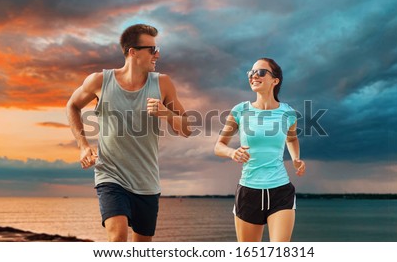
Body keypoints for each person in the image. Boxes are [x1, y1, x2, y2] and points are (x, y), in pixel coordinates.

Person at [66, 24, 191, 242]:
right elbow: (72, 105)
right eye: (152, 49)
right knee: (118, 237)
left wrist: (166, 114)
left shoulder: (162, 83)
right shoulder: (99, 81)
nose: (158, 54)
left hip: (146, 181)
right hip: (110, 175)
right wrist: (83, 145)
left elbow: (187, 128)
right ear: (132, 52)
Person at [214, 58, 305, 242]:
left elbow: (292, 138)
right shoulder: (240, 111)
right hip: (249, 192)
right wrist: (233, 152)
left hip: (280, 191)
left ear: (275, 80)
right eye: (251, 72)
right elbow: (219, 146)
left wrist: (296, 158)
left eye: (261, 72)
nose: (254, 75)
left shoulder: (288, 113)